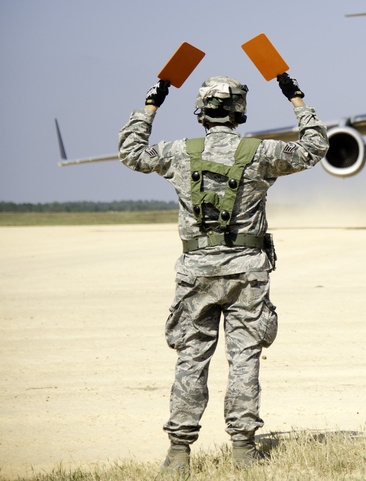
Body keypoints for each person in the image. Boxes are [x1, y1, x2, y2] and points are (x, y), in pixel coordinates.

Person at [118, 72, 328, 472]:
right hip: (247, 273)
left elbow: (131, 152)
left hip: (196, 273)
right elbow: (315, 146)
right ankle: (244, 452)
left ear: (201, 114)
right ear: (240, 114)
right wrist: (296, 98)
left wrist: (151, 105)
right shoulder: (262, 152)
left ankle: (178, 454)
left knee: (190, 359)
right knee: (245, 357)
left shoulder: (178, 152)